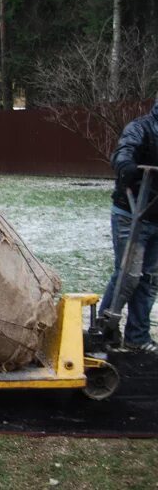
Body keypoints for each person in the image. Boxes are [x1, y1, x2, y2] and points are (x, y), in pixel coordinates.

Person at [99, 97, 158, 353]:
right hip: (131, 211)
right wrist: (126, 165)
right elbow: (124, 150)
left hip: (155, 215)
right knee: (129, 275)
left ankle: (137, 336)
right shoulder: (141, 127)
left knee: (150, 279)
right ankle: (104, 329)